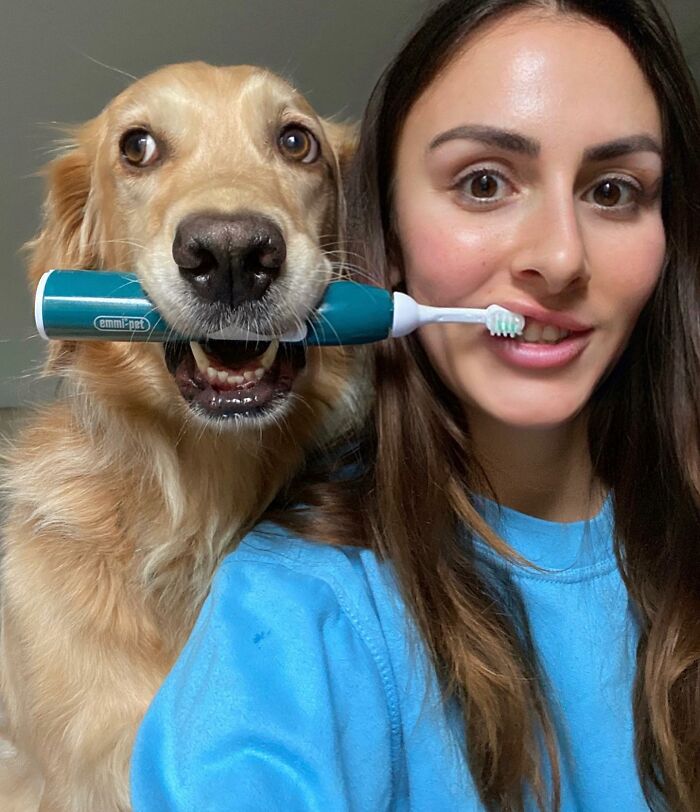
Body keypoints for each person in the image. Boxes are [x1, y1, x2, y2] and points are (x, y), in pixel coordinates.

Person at [130, 0, 700, 809]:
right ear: (386, 235)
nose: (560, 257)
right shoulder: (294, 611)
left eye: (613, 191)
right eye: (484, 183)